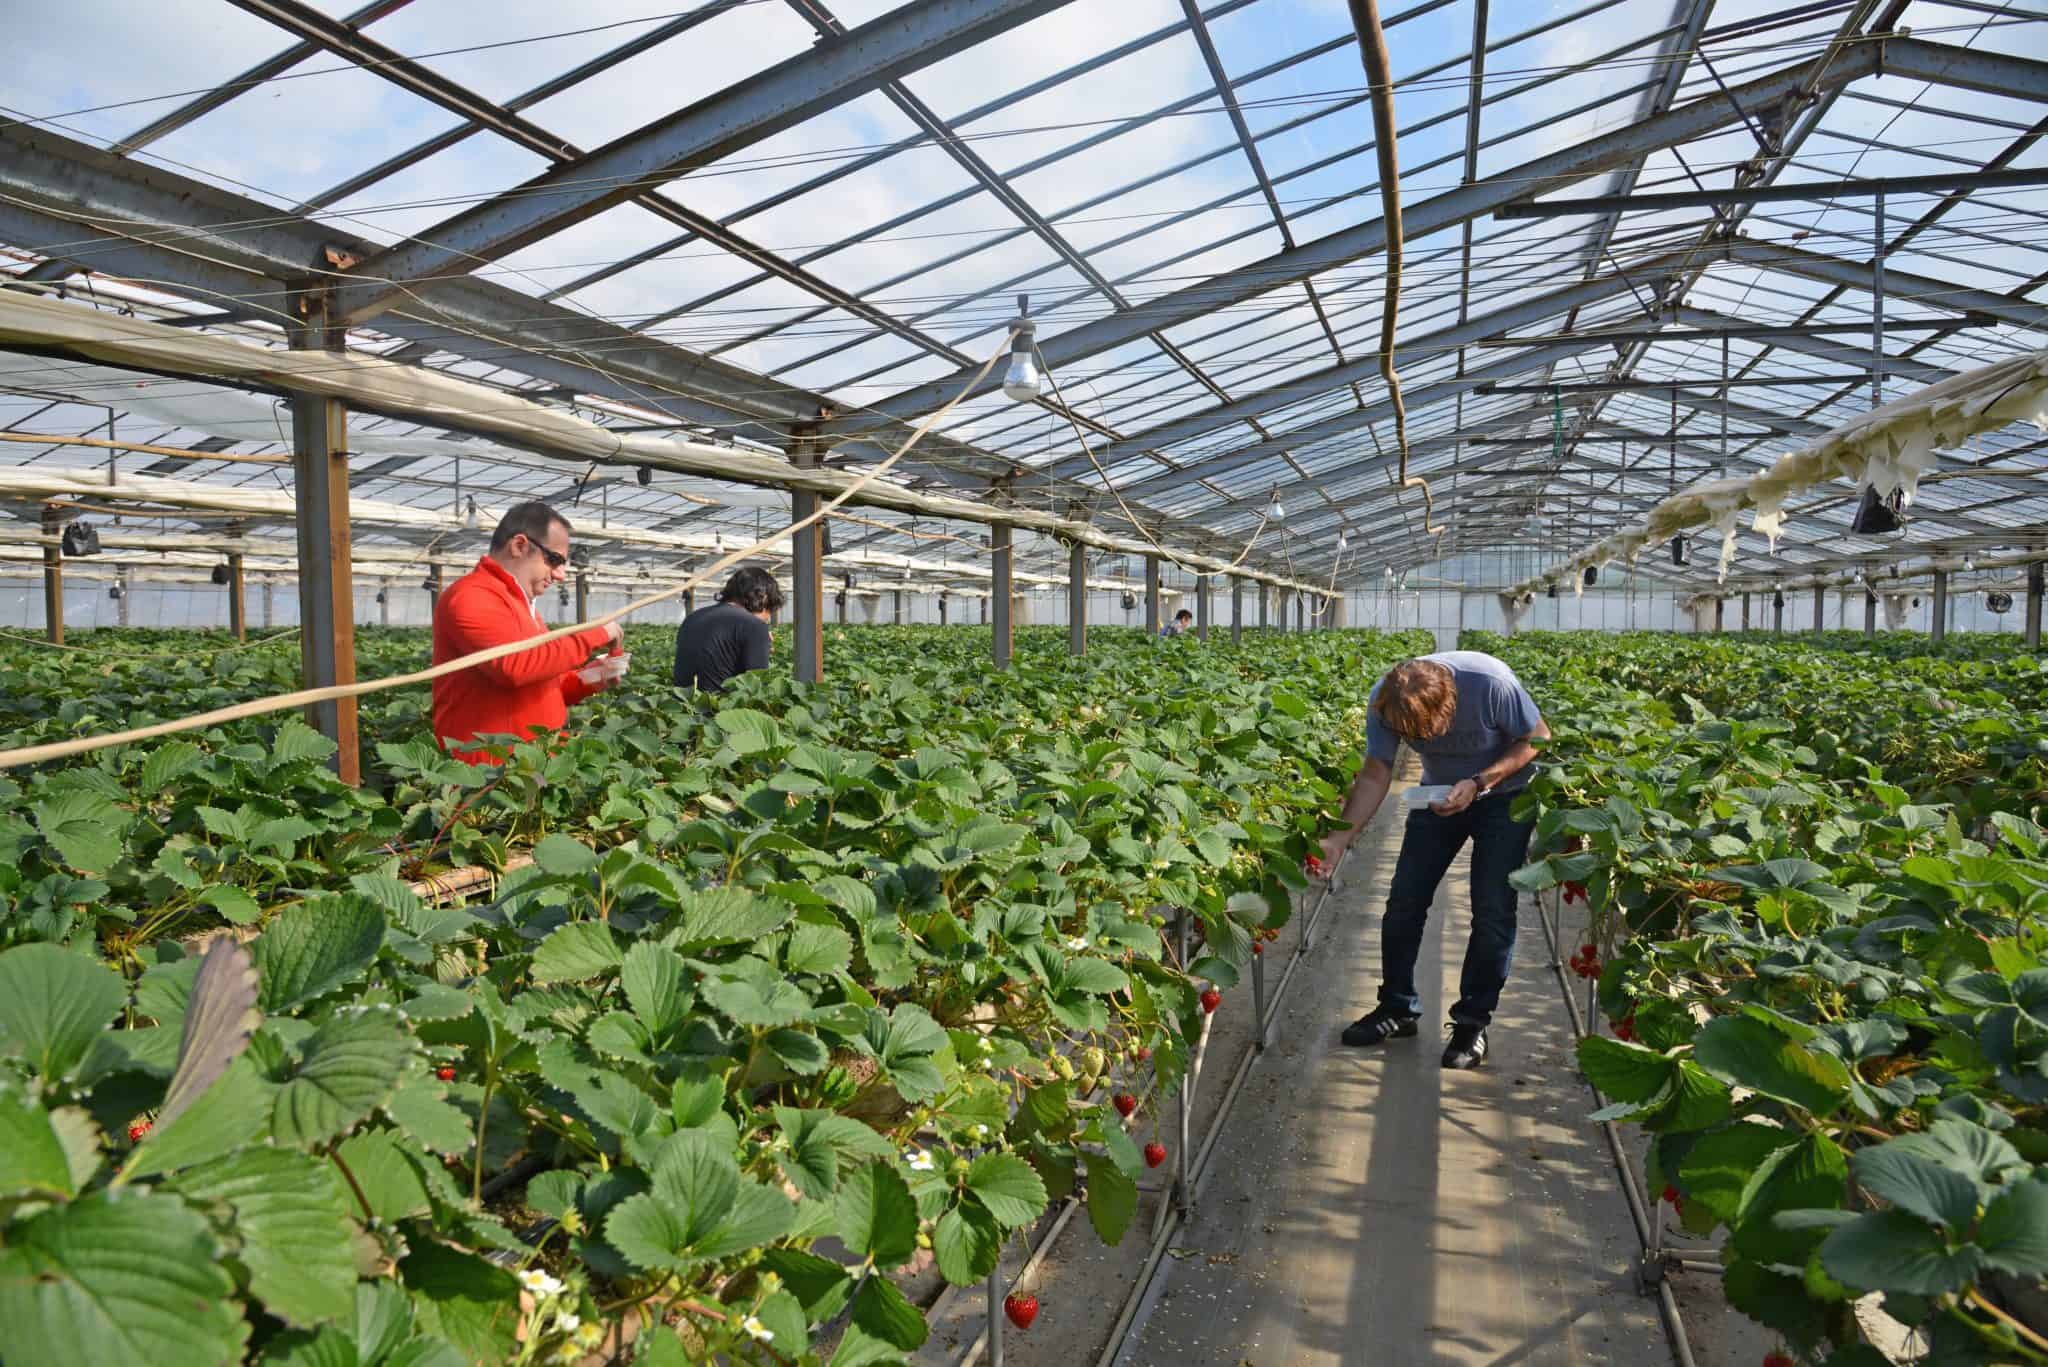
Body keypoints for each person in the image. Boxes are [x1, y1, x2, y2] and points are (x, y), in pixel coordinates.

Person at [1315, 651, 1550, 1069]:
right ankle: (1397, 1008)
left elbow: (1537, 737)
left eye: (1426, 732)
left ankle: (1472, 1024)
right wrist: (1338, 839)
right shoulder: (1384, 702)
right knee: (1404, 901)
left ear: (1449, 706)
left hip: (1506, 797)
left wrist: (1480, 782)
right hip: (1437, 794)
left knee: (1492, 910)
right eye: (1410, 736)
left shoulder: (1490, 684)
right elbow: (1375, 774)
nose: (1421, 741)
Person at [432, 502, 624, 763]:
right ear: (519, 546)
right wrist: (594, 634)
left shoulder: (522, 605)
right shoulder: (471, 596)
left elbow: (544, 684)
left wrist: (593, 677)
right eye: (554, 560)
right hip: (487, 776)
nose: (559, 575)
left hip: (528, 768)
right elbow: (514, 666)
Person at [673, 566, 782, 693]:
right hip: (719, 708)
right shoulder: (754, 625)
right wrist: (760, 645)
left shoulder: (692, 618)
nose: (766, 621)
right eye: (769, 613)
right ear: (763, 598)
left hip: (682, 706)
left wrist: (757, 647)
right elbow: (756, 688)